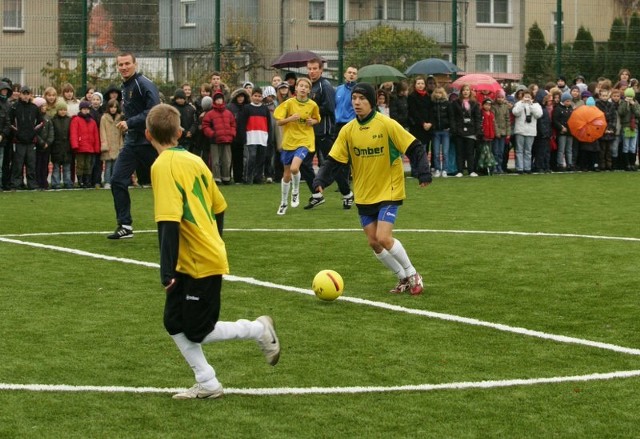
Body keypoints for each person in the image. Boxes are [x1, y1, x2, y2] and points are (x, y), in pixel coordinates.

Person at [146, 103, 280, 400]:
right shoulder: (195, 160)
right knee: (173, 322)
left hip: (198, 261)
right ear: (180, 133)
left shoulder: (162, 166)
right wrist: (213, 240)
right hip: (196, 257)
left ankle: (258, 329)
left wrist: (166, 270)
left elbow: (167, 221)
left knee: (198, 330)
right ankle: (207, 382)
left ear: (147, 134)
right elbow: (219, 207)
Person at [312, 83, 430, 295]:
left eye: (362, 98)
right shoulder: (348, 130)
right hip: (365, 193)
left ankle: (413, 274)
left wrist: (423, 171)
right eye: (354, 98)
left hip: (389, 189)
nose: (357, 102)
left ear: (372, 101)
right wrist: (320, 179)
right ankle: (401, 277)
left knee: (384, 237)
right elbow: (333, 160)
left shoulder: (386, 124)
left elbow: (415, 146)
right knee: (374, 243)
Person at [107, 52, 161, 239]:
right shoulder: (126, 86)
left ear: (135, 64)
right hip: (132, 143)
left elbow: (154, 110)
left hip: (149, 142)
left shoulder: (143, 83)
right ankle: (125, 225)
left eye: (127, 63)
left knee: (165, 183)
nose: (123, 67)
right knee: (117, 180)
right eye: (120, 64)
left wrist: (131, 122)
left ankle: (188, 220)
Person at [273, 77, 320, 215]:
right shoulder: (288, 103)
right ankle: (283, 203)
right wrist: (290, 119)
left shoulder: (312, 105)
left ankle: (295, 191)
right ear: (296, 88)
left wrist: (313, 121)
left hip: (305, 141)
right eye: (301, 86)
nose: (303, 88)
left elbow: (317, 118)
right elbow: (278, 122)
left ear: (309, 90)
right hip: (289, 142)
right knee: (286, 174)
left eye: (306, 86)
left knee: (295, 167)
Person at [303, 58, 337, 209]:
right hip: (311, 133)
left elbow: (329, 108)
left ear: (321, 70)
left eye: (315, 68)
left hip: (324, 132)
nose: (312, 71)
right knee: (303, 163)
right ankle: (317, 193)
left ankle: (347, 192)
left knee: (333, 164)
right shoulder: (309, 86)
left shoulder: (325, 86)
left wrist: (311, 111)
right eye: (309, 68)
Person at [8, 85, 42, 190]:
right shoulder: (14, 107)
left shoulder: (34, 108)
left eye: (28, 94)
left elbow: (40, 123)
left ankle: (32, 184)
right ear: (20, 95)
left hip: (31, 141)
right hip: (18, 141)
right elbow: (10, 123)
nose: (26, 96)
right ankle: (16, 184)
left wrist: (33, 134)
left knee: (31, 164)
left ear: (30, 95)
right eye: (24, 94)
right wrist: (17, 134)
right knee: (18, 164)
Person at [238, 87, 272, 184]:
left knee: (261, 159)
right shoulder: (246, 108)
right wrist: (243, 137)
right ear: (251, 96)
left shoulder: (265, 109)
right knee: (251, 157)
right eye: (255, 96)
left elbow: (269, 125)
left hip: (262, 137)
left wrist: (269, 137)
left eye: (259, 96)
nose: (257, 98)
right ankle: (248, 178)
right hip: (250, 137)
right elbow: (242, 124)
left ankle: (258, 178)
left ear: (262, 97)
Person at [202, 91, 236, 184]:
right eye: (217, 99)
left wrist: (232, 134)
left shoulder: (228, 113)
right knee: (215, 161)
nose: (219, 101)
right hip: (215, 140)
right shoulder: (210, 114)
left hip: (227, 140)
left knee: (227, 160)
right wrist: (212, 134)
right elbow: (205, 125)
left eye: (220, 99)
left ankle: (226, 177)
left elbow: (233, 124)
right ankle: (217, 178)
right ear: (214, 101)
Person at [450, 83, 482, 177]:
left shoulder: (475, 104)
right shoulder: (455, 103)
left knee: (470, 152)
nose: (465, 92)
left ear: (470, 92)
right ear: (461, 92)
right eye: (464, 90)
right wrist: (454, 129)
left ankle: (471, 170)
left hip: (471, 131)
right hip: (459, 131)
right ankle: (460, 170)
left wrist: (477, 131)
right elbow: (453, 117)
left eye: (467, 90)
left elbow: (477, 118)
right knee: (459, 152)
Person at [70, 100, 101, 188]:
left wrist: (96, 148)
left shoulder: (92, 121)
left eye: (87, 109)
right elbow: (74, 133)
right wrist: (75, 145)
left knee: (88, 165)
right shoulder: (76, 120)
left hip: (90, 147)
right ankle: (80, 181)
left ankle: (87, 180)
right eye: (84, 109)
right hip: (80, 147)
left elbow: (96, 136)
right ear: (80, 109)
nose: (86, 111)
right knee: (80, 165)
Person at [512, 90, 543, 174]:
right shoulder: (519, 103)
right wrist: (522, 104)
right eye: (525, 96)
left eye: (529, 96)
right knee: (519, 150)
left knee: (528, 151)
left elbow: (539, 114)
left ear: (532, 97)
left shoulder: (536, 105)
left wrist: (531, 105)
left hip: (531, 131)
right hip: (520, 130)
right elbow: (515, 113)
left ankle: (527, 168)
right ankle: (519, 168)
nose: (527, 98)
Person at [100, 98, 124, 190]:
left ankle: (114, 181)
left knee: (116, 165)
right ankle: (107, 182)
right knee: (108, 165)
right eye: (111, 107)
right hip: (108, 144)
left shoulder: (121, 118)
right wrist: (104, 144)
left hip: (117, 144)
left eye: (115, 107)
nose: (113, 109)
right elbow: (102, 131)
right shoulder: (104, 118)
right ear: (108, 108)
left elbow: (122, 133)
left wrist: (121, 144)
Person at [49, 101, 73, 189]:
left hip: (67, 147)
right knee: (56, 167)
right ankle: (56, 183)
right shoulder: (53, 120)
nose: (63, 111)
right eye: (61, 110)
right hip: (56, 147)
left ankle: (68, 182)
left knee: (67, 167)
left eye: (64, 110)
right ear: (57, 110)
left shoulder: (69, 120)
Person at [430, 86, 453, 177]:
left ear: (443, 94)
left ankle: (445, 169)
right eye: (436, 92)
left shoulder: (447, 104)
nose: (438, 94)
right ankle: (437, 169)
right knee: (435, 152)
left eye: (440, 93)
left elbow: (451, 116)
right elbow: (431, 117)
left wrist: (450, 127)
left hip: (445, 131)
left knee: (445, 152)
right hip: (435, 131)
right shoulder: (432, 104)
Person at [492, 89, 511, 174]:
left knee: (501, 152)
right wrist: (497, 132)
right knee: (495, 151)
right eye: (499, 97)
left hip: (504, 132)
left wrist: (508, 132)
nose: (500, 99)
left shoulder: (505, 107)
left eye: (502, 97)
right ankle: (495, 167)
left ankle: (499, 167)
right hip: (496, 133)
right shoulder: (493, 107)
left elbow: (508, 120)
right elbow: (493, 120)